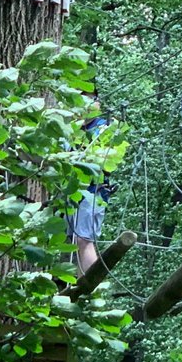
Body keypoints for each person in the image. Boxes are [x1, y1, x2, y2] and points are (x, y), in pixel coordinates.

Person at [68, 108, 115, 276]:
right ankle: (77, 286)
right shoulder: (69, 129)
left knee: (84, 240)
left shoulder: (105, 127)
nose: (85, 107)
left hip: (93, 192)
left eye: (90, 100)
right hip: (71, 193)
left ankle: (90, 288)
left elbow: (108, 161)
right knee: (72, 242)